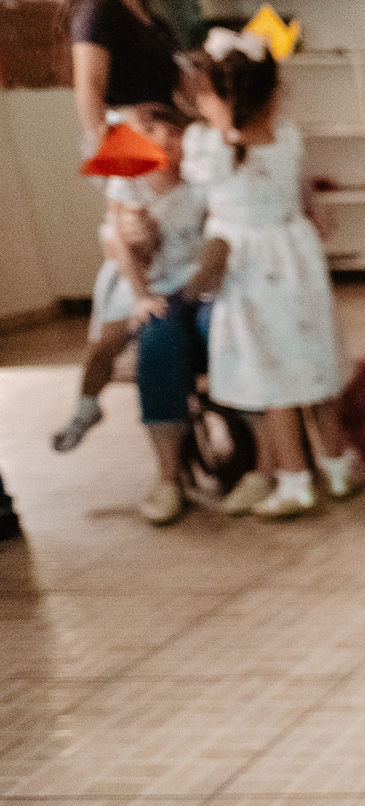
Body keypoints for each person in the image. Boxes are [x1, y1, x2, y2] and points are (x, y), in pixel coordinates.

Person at [182, 24, 357, 519]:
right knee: (314, 364)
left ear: (218, 97)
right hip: (295, 253)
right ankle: (337, 467)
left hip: (251, 266)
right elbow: (305, 195)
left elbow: (200, 195)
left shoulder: (209, 148)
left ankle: (295, 481)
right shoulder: (286, 138)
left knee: (274, 381)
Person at [48, 103, 211, 525]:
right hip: (143, 278)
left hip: (191, 275)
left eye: (173, 132)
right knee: (108, 341)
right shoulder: (131, 181)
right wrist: (140, 294)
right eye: (153, 132)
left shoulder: (199, 178)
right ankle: (87, 407)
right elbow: (120, 243)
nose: (166, 141)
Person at [62, 0, 180, 154]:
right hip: (129, 143)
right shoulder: (95, 13)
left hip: (162, 141)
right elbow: (89, 85)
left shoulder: (157, 24)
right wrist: (107, 144)